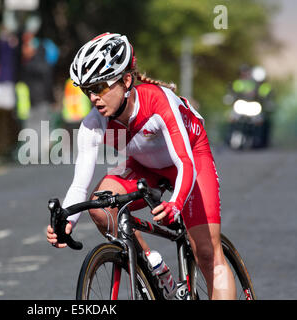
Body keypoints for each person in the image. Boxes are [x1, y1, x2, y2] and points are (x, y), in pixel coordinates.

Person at [46, 33, 236, 300]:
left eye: (100, 87)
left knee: (205, 251)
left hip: (191, 157)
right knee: (101, 206)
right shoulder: (93, 123)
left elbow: (185, 162)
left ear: (126, 81)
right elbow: (79, 184)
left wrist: (176, 204)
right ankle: (153, 265)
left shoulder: (158, 102)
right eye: (87, 90)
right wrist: (67, 220)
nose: (93, 97)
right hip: (146, 164)